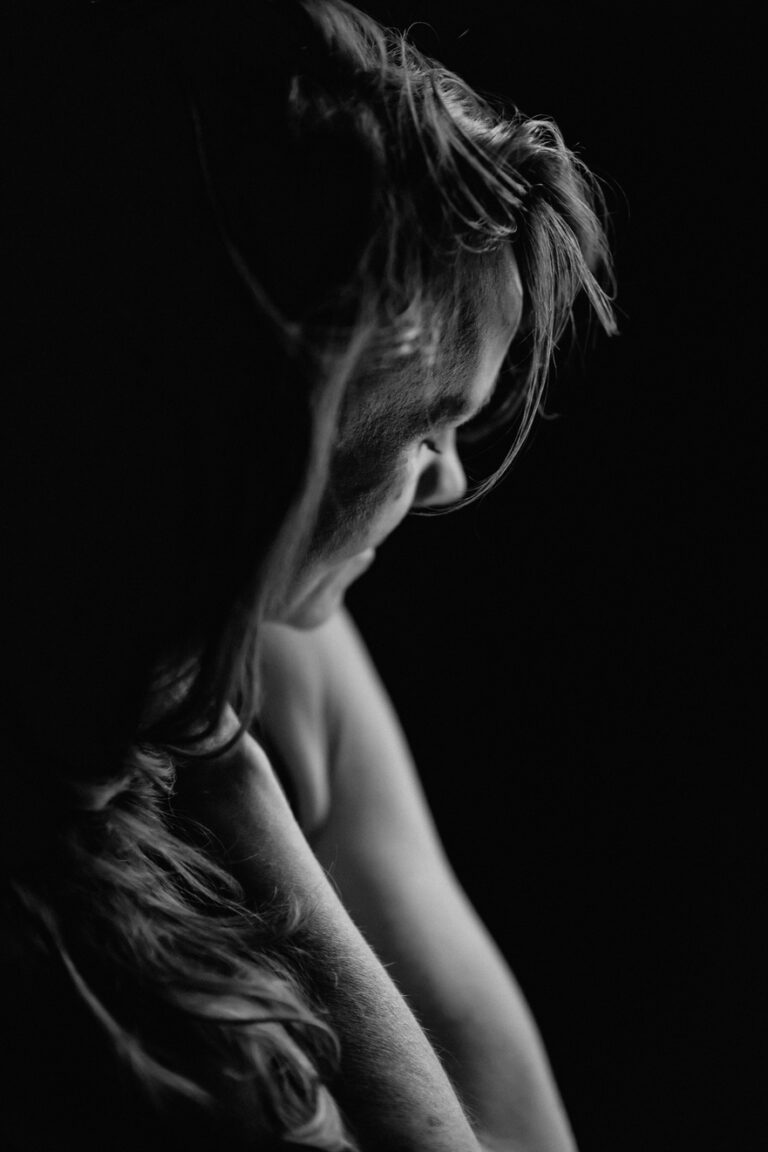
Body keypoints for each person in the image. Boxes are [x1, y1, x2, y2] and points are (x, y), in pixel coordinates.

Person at [1, 0, 616, 1148]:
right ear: (281, 429)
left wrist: (232, 777)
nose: (444, 480)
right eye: (428, 425)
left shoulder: (302, 661)